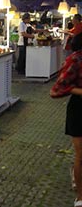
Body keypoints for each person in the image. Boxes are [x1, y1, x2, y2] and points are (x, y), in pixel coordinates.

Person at [50, 32, 82, 207]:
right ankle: (80, 196)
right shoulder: (76, 60)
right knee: (81, 155)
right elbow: (57, 89)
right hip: (79, 110)